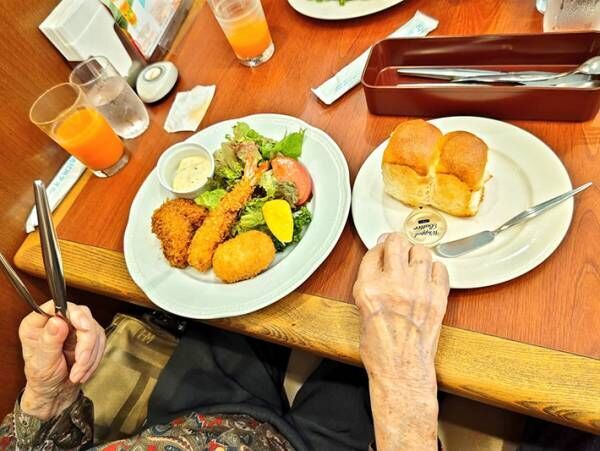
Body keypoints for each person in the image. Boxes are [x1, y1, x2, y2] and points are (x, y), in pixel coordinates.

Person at [0, 233, 449, 450]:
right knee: (364, 340)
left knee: (251, 297)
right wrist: (404, 383)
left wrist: (47, 396)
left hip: (191, 424)